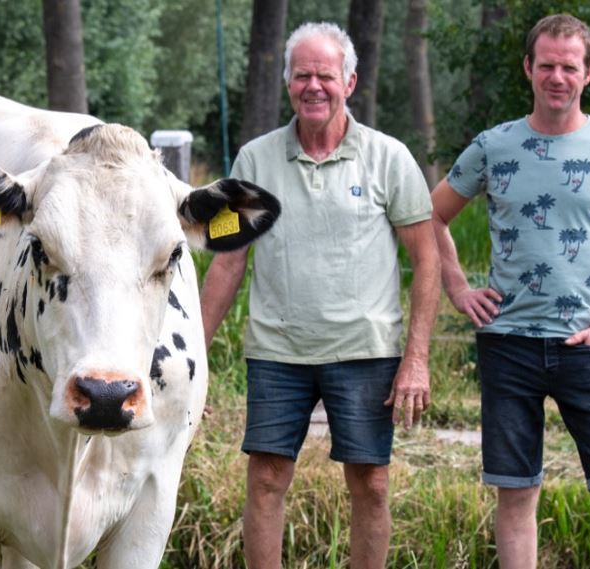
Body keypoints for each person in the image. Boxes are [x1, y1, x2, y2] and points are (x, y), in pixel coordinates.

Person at [199, 21, 440, 569]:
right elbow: (228, 262)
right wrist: (196, 353)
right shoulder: (253, 160)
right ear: (287, 84)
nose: (314, 86)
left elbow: (426, 260)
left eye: (325, 75)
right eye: (302, 75)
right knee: (265, 478)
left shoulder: (389, 157)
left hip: (366, 351)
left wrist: (417, 360)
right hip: (277, 352)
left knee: (372, 484)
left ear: (349, 82)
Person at [429, 13, 590, 569]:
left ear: (589, 72)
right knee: (517, 491)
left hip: (589, 347)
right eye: (547, 65)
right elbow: (427, 218)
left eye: (570, 66)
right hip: (508, 343)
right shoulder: (493, 147)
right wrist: (458, 288)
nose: (558, 76)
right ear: (529, 68)